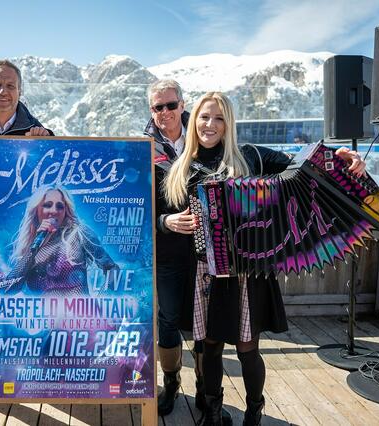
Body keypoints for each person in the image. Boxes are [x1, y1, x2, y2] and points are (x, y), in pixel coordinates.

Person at [163, 91, 366, 426]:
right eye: (204, 117)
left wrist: (339, 157)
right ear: (193, 119)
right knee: (209, 346)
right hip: (204, 269)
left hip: (248, 271)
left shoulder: (252, 156)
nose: (210, 124)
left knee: (247, 349)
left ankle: (254, 412)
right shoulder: (180, 168)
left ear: (229, 124)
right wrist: (167, 221)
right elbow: (162, 214)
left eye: (219, 118)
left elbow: (303, 163)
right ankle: (212, 413)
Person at [145, 79, 232, 421]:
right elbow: (136, 204)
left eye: (171, 105)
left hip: (206, 254)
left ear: (183, 105)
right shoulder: (143, 147)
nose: (165, 112)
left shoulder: (203, 138)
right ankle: (170, 383)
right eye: (158, 107)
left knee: (204, 324)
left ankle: (203, 387)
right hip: (167, 252)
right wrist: (165, 221)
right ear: (151, 111)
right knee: (167, 319)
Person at [5, 186, 118, 295]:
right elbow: (7, 290)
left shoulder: (78, 233)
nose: (54, 211)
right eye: (47, 205)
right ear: (36, 210)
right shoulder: (31, 248)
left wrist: (103, 298)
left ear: (65, 211)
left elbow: (112, 268)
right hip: (42, 309)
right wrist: (34, 247)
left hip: (78, 308)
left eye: (60, 206)